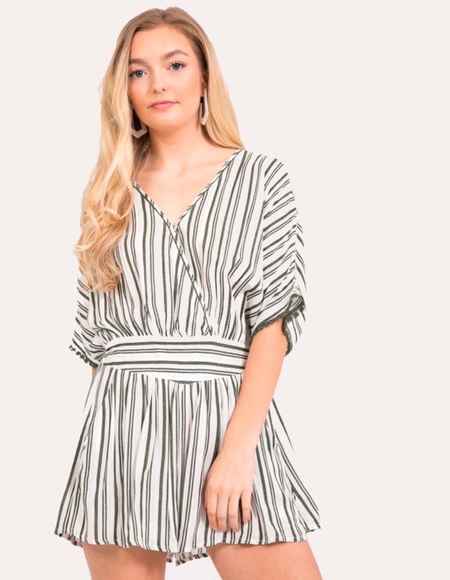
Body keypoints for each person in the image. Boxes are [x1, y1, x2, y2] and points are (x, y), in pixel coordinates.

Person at [54, 6, 322, 579]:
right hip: (122, 426)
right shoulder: (107, 195)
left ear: (204, 78)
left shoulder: (260, 179)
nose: (157, 83)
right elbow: (98, 344)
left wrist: (239, 448)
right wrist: (111, 453)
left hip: (229, 418)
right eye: (138, 71)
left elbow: (273, 322)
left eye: (175, 65)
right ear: (125, 91)